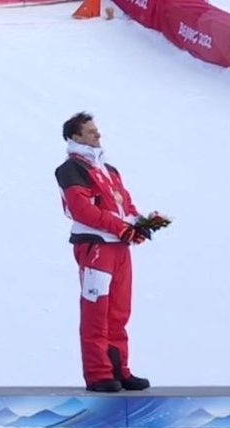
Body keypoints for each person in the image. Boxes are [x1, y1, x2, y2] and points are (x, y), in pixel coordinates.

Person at [54, 112, 155, 393]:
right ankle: (98, 374)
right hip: (96, 246)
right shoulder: (71, 169)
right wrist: (120, 227)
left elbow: (126, 205)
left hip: (119, 248)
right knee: (96, 312)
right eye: (90, 132)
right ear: (75, 137)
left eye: (97, 130)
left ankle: (119, 370)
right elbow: (83, 210)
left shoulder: (109, 170)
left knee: (119, 312)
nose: (98, 135)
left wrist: (139, 225)